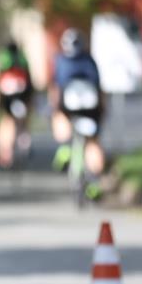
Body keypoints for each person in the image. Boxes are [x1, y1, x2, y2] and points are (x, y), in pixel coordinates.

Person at [49, 28, 105, 182]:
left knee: (59, 120)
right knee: (93, 142)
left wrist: (54, 109)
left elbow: (56, 89)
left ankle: (65, 148)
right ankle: (95, 184)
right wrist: (102, 111)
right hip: (91, 108)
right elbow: (99, 89)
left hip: (68, 107)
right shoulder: (90, 61)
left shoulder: (60, 60)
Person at [0, 40, 34, 169]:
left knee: (7, 121)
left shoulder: (4, 58)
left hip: (7, 94)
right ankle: (24, 143)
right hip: (23, 93)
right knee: (23, 122)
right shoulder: (22, 58)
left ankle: (6, 154)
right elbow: (29, 79)